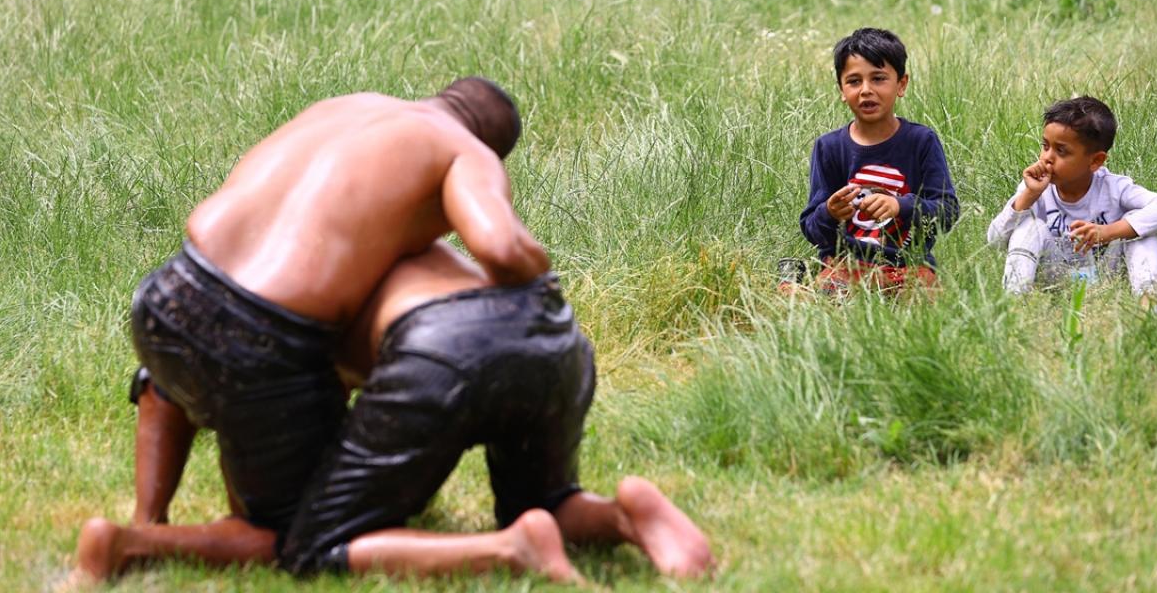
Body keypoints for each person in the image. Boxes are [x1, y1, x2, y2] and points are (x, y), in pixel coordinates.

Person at [73, 241, 714, 585]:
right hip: (551, 335)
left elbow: (165, 381)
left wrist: (148, 517)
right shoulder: (395, 237)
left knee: (305, 542)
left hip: (440, 350)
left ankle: (508, 549)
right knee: (545, 497)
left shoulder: (266, 284)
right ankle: (624, 515)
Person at [115, 77, 548, 542]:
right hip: (258, 335)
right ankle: (128, 544)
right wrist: (544, 287)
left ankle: (148, 515)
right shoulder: (467, 151)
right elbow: (501, 247)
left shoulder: (350, 105)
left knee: (199, 348)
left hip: (171, 290)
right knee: (298, 535)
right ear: (491, 146)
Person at [797, 28, 959, 293]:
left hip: (908, 265)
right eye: (854, 81)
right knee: (826, 294)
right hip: (845, 265)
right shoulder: (829, 147)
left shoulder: (921, 141)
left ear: (901, 84)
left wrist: (900, 206)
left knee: (923, 295)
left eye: (878, 78)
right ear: (841, 89)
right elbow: (813, 229)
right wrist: (830, 212)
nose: (866, 90)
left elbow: (947, 211)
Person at [987, 95, 1157, 298]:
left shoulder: (1114, 188)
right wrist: (1029, 195)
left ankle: (1149, 305)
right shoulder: (1035, 190)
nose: (1047, 158)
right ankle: (1015, 303)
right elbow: (994, 241)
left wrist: (1109, 231)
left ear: (1096, 161)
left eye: (1061, 151)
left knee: (1140, 230)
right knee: (1029, 226)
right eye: (1045, 146)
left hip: (1109, 276)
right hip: (1056, 280)